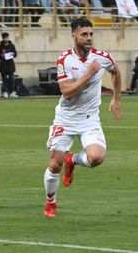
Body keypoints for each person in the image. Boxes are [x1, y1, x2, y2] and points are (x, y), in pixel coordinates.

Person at [43, 17, 122, 218]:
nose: (89, 38)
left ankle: (74, 160)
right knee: (55, 164)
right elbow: (67, 92)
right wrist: (88, 74)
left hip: (89, 118)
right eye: (84, 34)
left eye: (91, 34)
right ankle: (50, 203)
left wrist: (116, 98)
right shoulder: (64, 60)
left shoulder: (102, 57)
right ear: (74, 36)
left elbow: (116, 72)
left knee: (96, 158)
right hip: (66, 118)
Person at [0, 32, 18, 98]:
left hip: (10, 65)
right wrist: (1, 56)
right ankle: (5, 92)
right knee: (4, 80)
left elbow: (15, 54)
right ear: (2, 38)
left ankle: (12, 92)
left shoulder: (12, 46)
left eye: (7, 38)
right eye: (4, 38)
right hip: (3, 65)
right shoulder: (0, 46)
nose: (6, 39)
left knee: (12, 79)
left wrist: (13, 54)